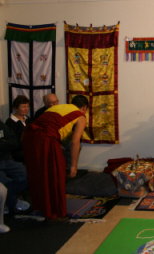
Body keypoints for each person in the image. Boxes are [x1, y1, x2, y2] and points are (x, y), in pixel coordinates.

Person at [23, 95, 88, 223]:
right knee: (55, 175)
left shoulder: (57, 108)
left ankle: (41, 206)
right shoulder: (80, 116)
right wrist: (73, 166)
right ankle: (55, 213)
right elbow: (75, 142)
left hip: (28, 136)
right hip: (45, 139)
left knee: (38, 174)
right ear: (84, 107)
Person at [0, 120, 30, 216]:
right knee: (5, 182)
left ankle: (5, 200)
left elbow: (14, 142)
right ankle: (13, 202)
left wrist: (3, 143)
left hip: (7, 159)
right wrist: (3, 142)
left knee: (25, 175)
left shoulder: (1, 125)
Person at [6, 95, 31, 163]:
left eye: (27, 106)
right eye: (23, 107)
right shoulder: (10, 123)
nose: (26, 109)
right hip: (19, 153)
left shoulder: (28, 119)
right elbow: (14, 142)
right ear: (16, 108)